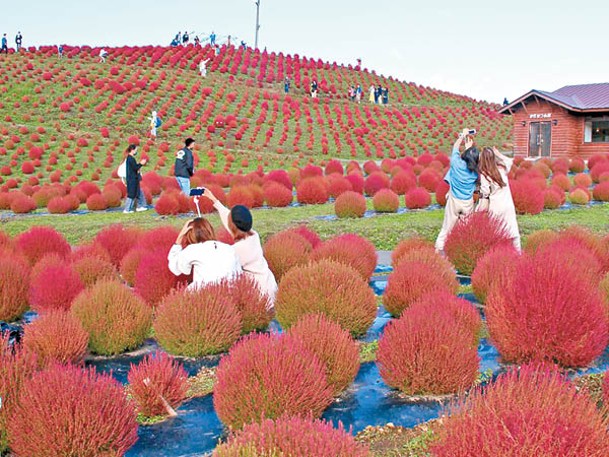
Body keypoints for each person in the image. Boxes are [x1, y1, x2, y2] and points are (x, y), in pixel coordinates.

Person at [201, 188, 278, 309]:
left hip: (260, 295)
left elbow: (219, 266)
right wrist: (214, 200)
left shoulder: (237, 250)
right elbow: (232, 220)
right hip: (269, 284)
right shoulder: (253, 234)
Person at [435, 129, 479, 254]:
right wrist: (469, 148)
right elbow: (470, 160)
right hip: (467, 203)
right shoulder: (476, 171)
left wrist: (462, 136)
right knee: (465, 230)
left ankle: (437, 251)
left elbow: (455, 148)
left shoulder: (456, 163)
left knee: (447, 227)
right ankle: (461, 252)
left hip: (454, 201)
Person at [168, 218, 242, 290]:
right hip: (230, 294)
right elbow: (239, 275)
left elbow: (175, 266)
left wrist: (180, 237)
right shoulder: (230, 249)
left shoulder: (193, 249)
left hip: (204, 295)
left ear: (190, 234)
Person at [476, 147, 521, 251]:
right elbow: (509, 161)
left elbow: (485, 194)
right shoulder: (502, 169)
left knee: (498, 234)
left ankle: (499, 255)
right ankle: (518, 254)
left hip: (496, 208)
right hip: (508, 206)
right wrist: (499, 154)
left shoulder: (485, 174)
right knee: (513, 232)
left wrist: (479, 210)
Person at [123, 144, 148, 213]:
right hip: (132, 180)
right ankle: (127, 209)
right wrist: (141, 164)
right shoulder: (130, 159)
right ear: (132, 150)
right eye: (136, 150)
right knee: (131, 194)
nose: (136, 151)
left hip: (134, 179)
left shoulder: (130, 158)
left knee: (139, 193)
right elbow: (135, 167)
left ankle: (141, 206)